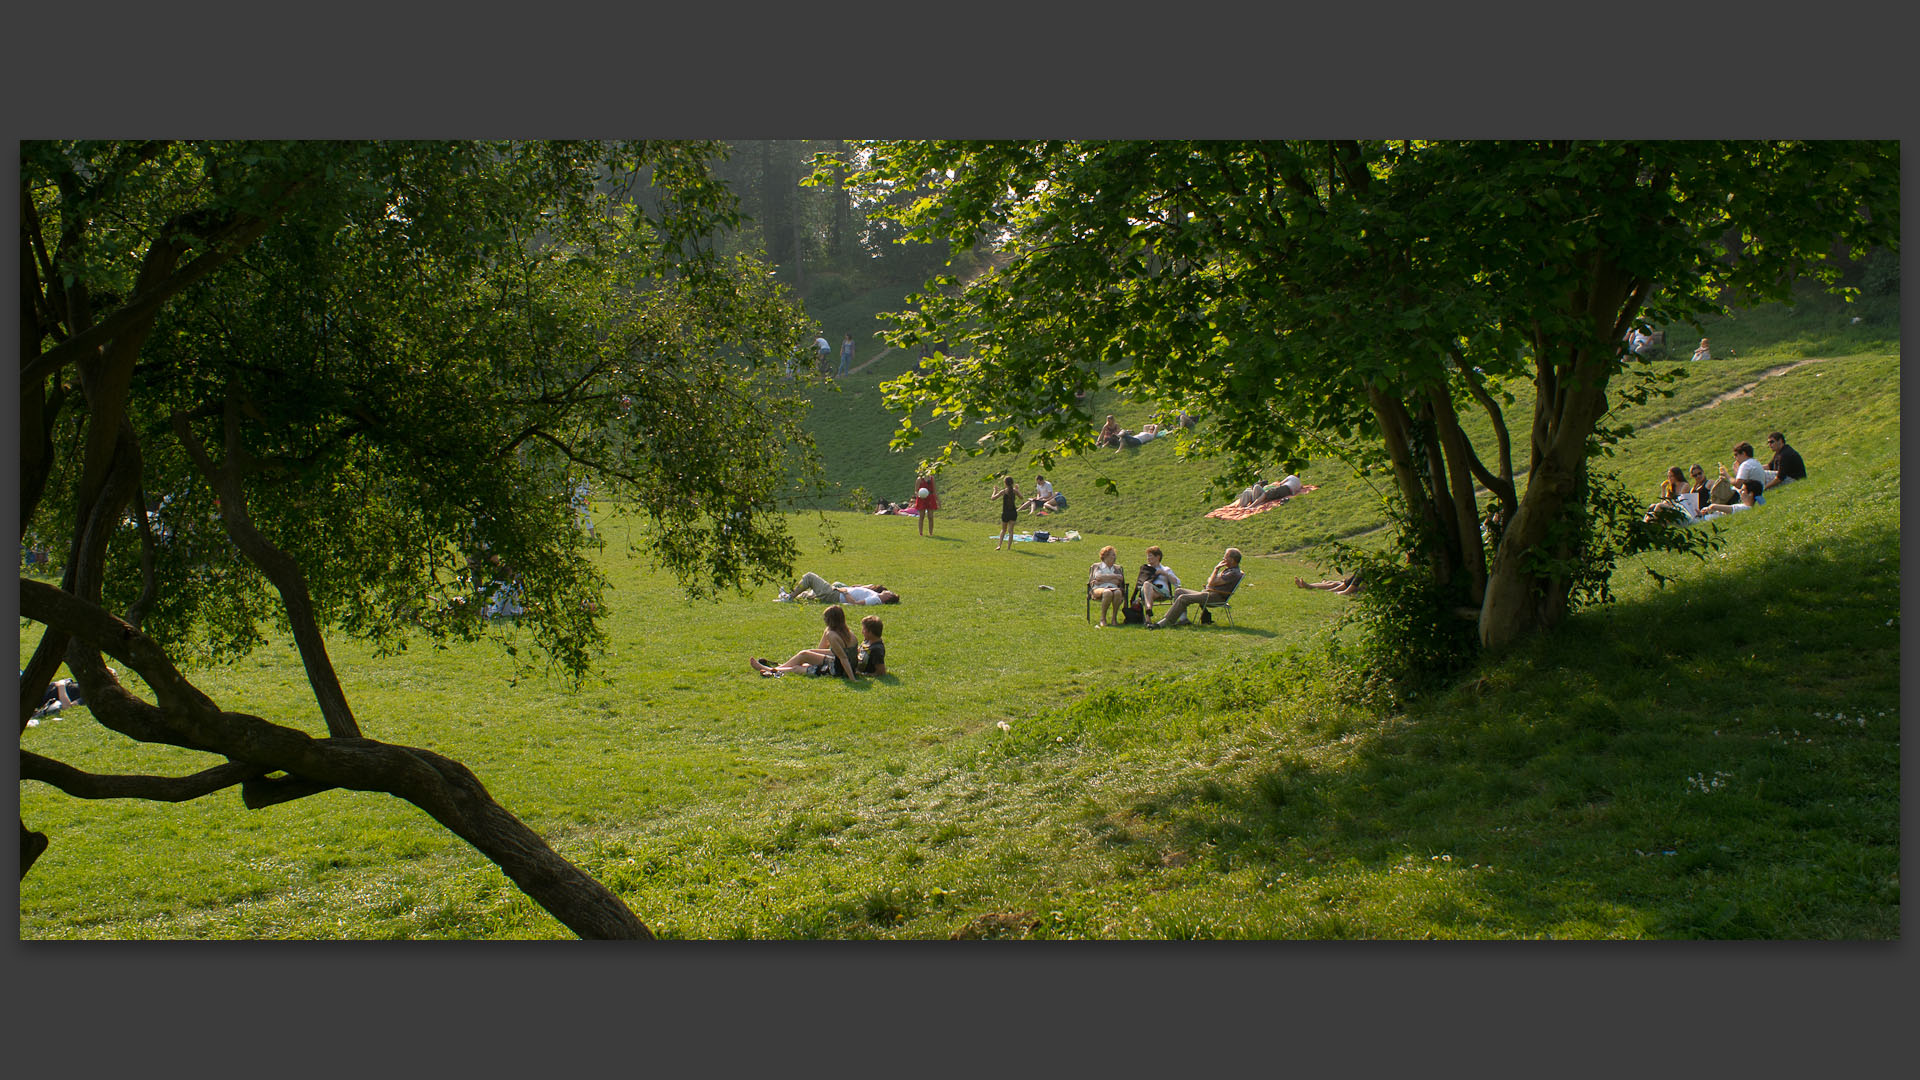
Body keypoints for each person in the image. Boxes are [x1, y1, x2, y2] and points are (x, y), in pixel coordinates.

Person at [751, 604, 860, 679]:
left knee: (796, 668)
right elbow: (826, 650)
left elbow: (844, 658)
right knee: (805, 653)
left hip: (837, 670)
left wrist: (852, 679)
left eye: (825, 618)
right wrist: (812, 658)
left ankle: (771, 670)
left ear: (830, 620)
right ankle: (779, 667)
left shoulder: (832, 635)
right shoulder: (847, 633)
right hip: (839, 664)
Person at [1148, 548, 1244, 629]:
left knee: (1183, 598)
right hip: (1209, 593)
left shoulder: (1233, 573)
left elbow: (1211, 581)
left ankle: (1164, 623)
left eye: (1226, 556)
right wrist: (1212, 581)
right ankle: (1183, 620)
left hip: (1215, 596)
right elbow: (1210, 580)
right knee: (1179, 591)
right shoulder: (1228, 570)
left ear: (1232, 560)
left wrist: (1216, 569)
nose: (1223, 558)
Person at [783, 572, 900, 606]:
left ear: (889, 596)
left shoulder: (875, 599)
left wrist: (845, 592)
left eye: (890, 592)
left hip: (836, 595)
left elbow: (856, 604)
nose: (887, 591)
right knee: (812, 593)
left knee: (809, 577)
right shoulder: (876, 596)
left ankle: (789, 597)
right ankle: (788, 596)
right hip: (837, 593)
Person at [1137, 546, 1179, 620]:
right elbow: (1140, 582)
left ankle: (1148, 615)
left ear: (1158, 557)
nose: (1148, 558)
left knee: (1147, 585)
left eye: (1150, 556)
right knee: (1147, 585)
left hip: (1162, 591)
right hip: (1148, 591)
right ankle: (1148, 612)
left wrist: (1165, 573)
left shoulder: (1165, 569)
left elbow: (1177, 582)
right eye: (1147, 556)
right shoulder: (1145, 569)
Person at [1089, 545, 1127, 627]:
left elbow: (1119, 580)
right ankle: (1103, 618)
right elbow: (1098, 577)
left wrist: (1104, 579)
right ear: (1106, 556)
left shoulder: (1117, 568)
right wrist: (1114, 577)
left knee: (1117, 593)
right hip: (1098, 588)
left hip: (1114, 587)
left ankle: (1114, 618)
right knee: (1107, 592)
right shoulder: (1097, 566)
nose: (1115, 557)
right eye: (1113, 555)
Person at [1697, 477, 1763, 517]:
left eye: (1743, 490)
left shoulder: (1745, 508)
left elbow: (1713, 506)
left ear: (1750, 494)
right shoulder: (1744, 506)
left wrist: (1709, 509)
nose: (1740, 492)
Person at [993, 475, 1021, 550]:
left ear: (1005, 483)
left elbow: (993, 498)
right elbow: (1021, 497)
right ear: (1012, 483)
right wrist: (1017, 489)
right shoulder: (1014, 491)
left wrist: (995, 490)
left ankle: (999, 545)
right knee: (1011, 531)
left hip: (1005, 513)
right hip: (1013, 513)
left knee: (1003, 530)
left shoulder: (1003, 491)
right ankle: (1008, 547)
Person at [1297, 571, 1362, 596]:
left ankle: (1308, 586)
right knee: (1331, 583)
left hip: (1361, 587)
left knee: (1333, 584)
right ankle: (1307, 585)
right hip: (1354, 584)